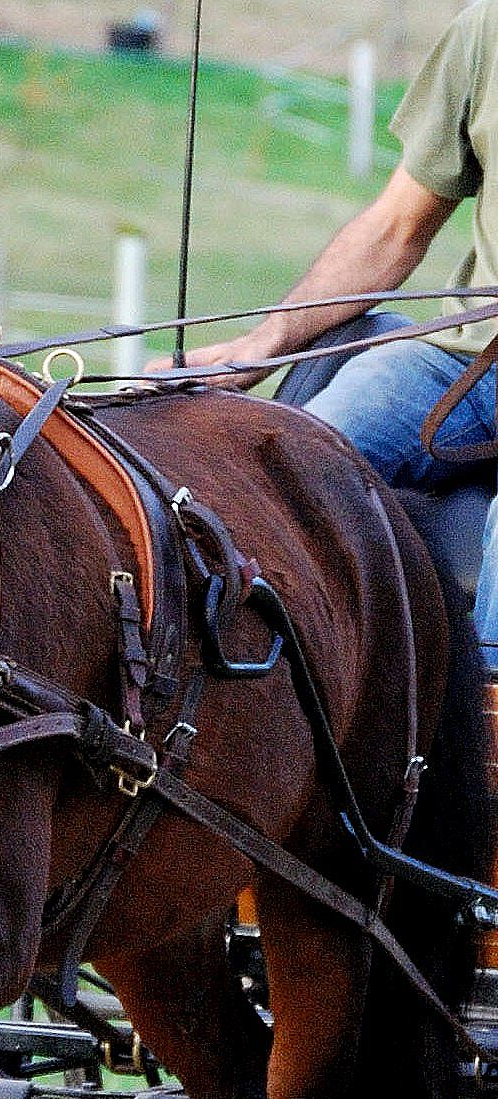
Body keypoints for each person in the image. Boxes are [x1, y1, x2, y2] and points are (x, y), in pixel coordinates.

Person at [163, 1, 498, 646]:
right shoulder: (485, 31)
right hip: (466, 359)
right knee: (290, 459)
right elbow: (396, 230)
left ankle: (486, 732)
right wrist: (263, 344)